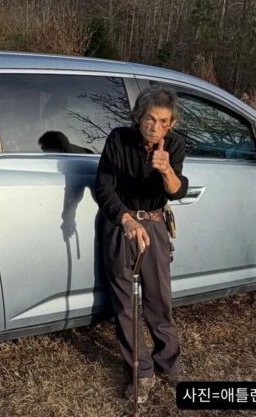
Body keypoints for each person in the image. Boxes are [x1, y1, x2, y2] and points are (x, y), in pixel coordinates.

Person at [93, 86, 189, 403]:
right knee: (125, 304)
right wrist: (126, 220)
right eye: (150, 119)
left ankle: (168, 364)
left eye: (163, 121)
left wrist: (166, 169)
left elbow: (177, 190)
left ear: (171, 124)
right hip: (121, 224)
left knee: (159, 298)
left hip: (155, 224)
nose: (155, 127)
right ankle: (141, 371)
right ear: (138, 117)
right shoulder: (119, 139)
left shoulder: (174, 145)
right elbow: (103, 186)